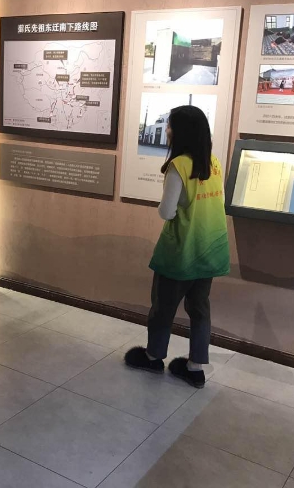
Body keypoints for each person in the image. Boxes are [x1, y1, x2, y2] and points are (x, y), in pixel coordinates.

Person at [124, 105, 230, 389]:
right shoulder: (213, 163)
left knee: (163, 307)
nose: (167, 130)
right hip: (209, 250)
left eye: (170, 125)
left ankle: (153, 356)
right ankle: (195, 367)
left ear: (181, 132)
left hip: (181, 252)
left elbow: (166, 212)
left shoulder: (179, 166)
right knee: (200, 308)